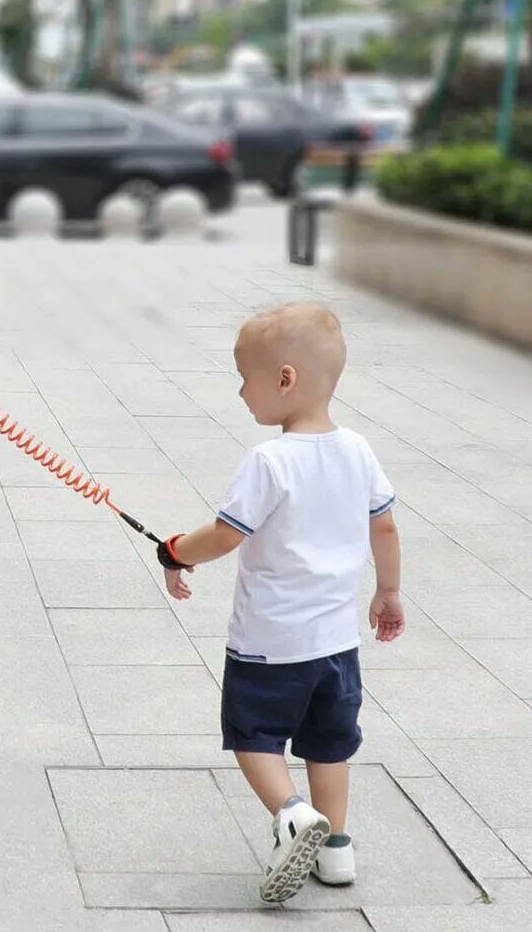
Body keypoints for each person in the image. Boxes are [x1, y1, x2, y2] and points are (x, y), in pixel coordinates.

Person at [155, 302, 404, 905]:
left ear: (284, 379)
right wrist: (389, 591)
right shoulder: (358, 450)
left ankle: (290, 814)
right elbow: (386, 528)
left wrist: (174, 552)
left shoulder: (268, 461)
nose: (241, 391)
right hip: (337, 646)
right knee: (330, 743)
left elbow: (225, 536)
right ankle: (336, 847)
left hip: (269, 644)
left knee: (253, 735)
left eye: (246, 378)